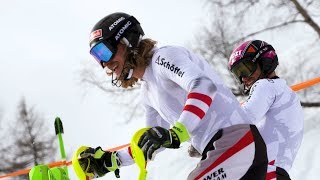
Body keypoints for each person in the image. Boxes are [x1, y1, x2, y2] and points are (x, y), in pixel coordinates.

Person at [78, 12, 269, 180]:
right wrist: (111, 161)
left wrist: (177, 132)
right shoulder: (148, 92)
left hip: (237, 142)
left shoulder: (163, 58)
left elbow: (203, 86)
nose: (105, 63)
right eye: (97, 58)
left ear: (127, 41)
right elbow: (151, 143)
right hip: (222, 150)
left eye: (103, 51)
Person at [228, 40, 304, 180]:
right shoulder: (287, 95)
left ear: (265, 62)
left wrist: (206, 135)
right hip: (276, 173)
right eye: (238, 73)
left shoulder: (264, 86)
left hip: (262, 173)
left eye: (246, 68)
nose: (243, 77)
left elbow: (241, 122)